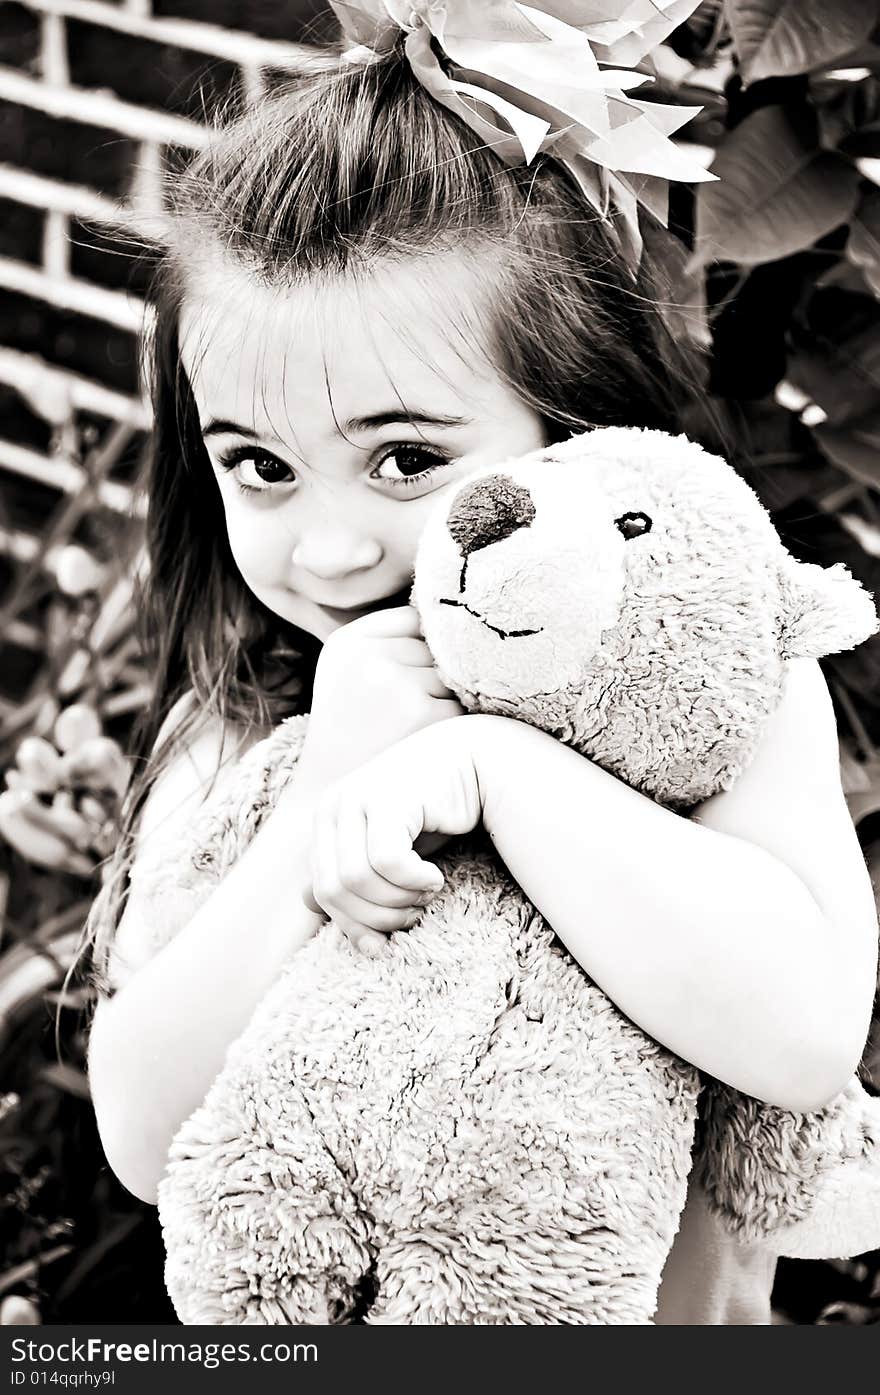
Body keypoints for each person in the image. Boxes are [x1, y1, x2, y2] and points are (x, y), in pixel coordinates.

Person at [84, 7, 878, 1325]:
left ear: (582, 422)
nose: (330, 548)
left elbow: (798, 1037)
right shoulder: (251, 713)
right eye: (259, 466)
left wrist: (493, 764)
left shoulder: (714, 684)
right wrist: (334, 785)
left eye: (406, 459)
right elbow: (142, 1138)